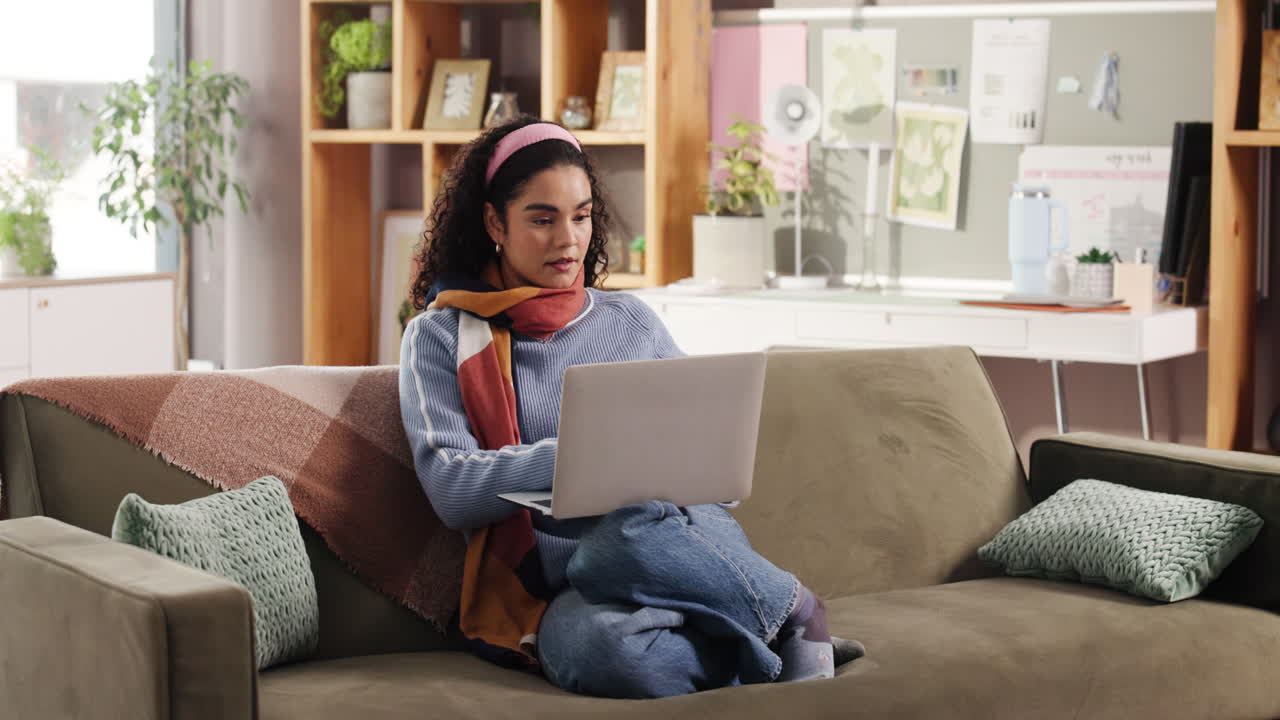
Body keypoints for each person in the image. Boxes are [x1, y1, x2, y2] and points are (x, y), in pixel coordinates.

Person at [398, 117, 860, 699]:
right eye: (542, 219)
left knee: (626, 534)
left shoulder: (630, 321)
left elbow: (714, 477)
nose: (567, 239)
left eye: (581, 215)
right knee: (607, 650)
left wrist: (692, 464)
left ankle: (797, 614)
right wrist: (578, 459)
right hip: (557, 588)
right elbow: (450, 487)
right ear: (495, 222)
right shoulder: (439, 335)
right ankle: (762, 636)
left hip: (665, 542)